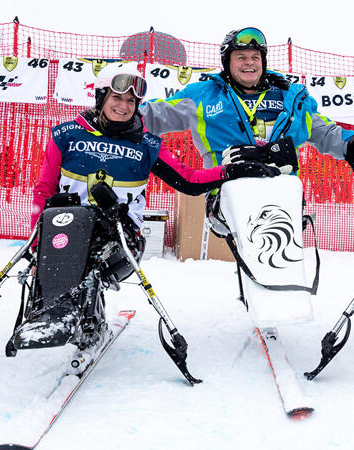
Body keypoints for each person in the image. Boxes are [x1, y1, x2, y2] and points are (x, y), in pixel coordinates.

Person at [20, 62, 279, 347]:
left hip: (120, 234)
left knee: (91, 251)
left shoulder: (145, 144)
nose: (124, 106)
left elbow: (189, 181)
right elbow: (43, 191)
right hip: (67, 228)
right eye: (117, 98)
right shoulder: (66, 135)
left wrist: (233, 171)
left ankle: (85, 318)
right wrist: (36, 245)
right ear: (101, 97)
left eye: (131, 101)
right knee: (64, 239)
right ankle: (48, 313)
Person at [139, 27, 354, 235]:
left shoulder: (289, 98)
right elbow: (154, 115)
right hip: (227, 195)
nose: (249, 63)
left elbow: (326, 134)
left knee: (279, 268)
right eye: (241, 57)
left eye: (255, 57)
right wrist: (116, 115)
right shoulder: (203, 96)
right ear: (227, 62)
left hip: (282, 195)